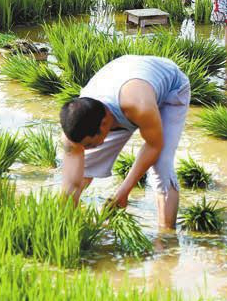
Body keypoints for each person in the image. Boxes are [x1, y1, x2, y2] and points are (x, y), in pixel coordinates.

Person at [59, 55, 190, 230]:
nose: (86, 149)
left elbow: (154, 146)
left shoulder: (139, 106)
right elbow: (71, 184)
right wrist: (63, 227)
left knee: (161, 165)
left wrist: (123, 191)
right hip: (125, 80)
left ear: (105, 124)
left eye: (89, 144)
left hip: (170, 90)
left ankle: (166, 238)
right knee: (85, 168)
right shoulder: (74, 127)